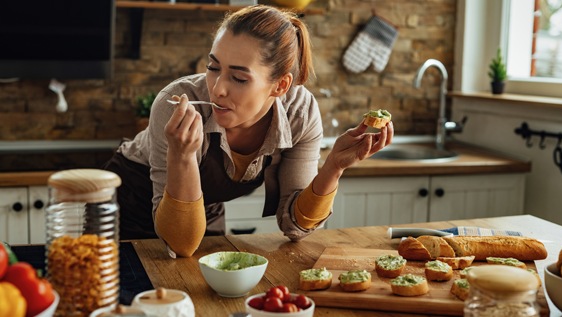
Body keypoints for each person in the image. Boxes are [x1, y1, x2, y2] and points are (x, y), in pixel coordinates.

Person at [103, 5, 393, 258]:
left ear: (280, 86)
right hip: (132, 202)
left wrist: (332, 167)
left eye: (239, 78)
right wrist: (181, 156)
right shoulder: (179, 103)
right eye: (213, 67)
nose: (217, 89)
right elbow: (179, 244)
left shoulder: (299, 114)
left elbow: (295, 227)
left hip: (203, 206)